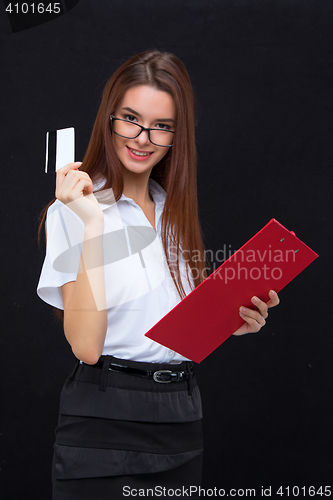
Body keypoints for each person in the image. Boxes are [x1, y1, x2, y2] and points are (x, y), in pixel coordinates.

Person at [37, 50, 280, 500]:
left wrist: (236, 320)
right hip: (104, 422)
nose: (143, 137)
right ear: (109, 119)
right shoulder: (72, 210)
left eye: (162, 126)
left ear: (176, 135)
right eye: (130, 118)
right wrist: (94, 224)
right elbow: (86, 347)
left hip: (180, 417)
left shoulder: (173, 212)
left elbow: (173, 328)